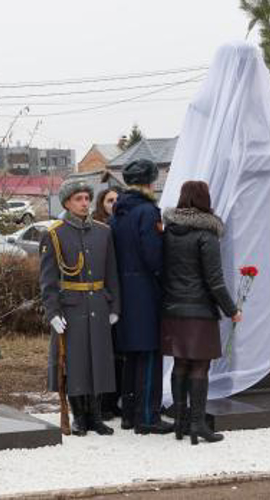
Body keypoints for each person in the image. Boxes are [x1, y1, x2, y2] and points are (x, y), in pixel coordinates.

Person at [161, 181, 241, 445]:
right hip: (199, 310)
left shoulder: (169, 231)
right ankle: (198, 424)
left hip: (172, 307)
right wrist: (232, 310)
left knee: (180, 363)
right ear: (204, 199)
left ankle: (180, 423)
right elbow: (215, 280)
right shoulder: (206, 233)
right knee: (200, 366)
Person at [40, 179, 120, 436]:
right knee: (74, 363)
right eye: (78, 199)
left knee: (98, 360)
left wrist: (115, 306)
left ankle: (96, 417)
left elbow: (112, 274)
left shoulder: (103, 231)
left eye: (87, 198)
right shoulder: (54, 233)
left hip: (98, 303)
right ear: (66, 203)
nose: (84, 203)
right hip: (70, 308)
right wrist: (52, 313)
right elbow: (48, 280)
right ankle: (78, 417)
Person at [110, 159, 173, 435]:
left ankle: (129, 415)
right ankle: (148, 417)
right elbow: (153, 255)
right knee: (148, 354)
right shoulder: (148, 212)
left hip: (123, 290)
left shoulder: (118, 212)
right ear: (149, 183)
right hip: (145, 291)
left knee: (132, 356)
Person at [92, 187, 122, 420]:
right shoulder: (98, 228)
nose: (114, 203)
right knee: (103, 353)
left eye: (117, 200)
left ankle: (114, 401)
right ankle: (101, 403)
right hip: (99, 296)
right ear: (101, 203)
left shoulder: (121, 224)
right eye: (109, 200)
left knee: (119, 354)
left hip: (119, 293)